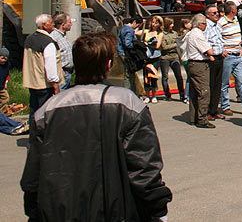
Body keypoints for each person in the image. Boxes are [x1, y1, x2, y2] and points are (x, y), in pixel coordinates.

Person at [20, 32, 172, 220]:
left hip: (59, 211)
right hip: (114, 210)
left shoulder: (47, 110)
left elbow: (33, 175)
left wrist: (34, 211)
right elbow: (144, 166)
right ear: (108, 65)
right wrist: (157, 209)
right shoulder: (127, 104)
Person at [23, 14, 62, 121]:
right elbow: (50, 65)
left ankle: (33, 131)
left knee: (34, 111)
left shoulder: (29, 39)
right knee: (44, 114)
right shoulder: (48, 43)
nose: (53, 24)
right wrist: (55, 85)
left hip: (33, 83)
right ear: (44, 25)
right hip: (45, 85)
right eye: (51, 22)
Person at [219, 1, 242, 116]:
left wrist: (241, 46)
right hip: (228, 56)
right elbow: (217, 37)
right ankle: (225, 106)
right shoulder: (221, 22)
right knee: (224, 83)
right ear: (233, 10)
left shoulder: (236, 20)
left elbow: (239, 35)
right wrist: (222, 50)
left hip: (238, 55)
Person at [186, 14, 216, 128]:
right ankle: (202, 119)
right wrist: (210, 50)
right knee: (204, 92)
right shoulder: (197, 34)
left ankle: (193, 117)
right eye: (204, 23)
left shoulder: (192, 33)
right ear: (199, 24)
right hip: (199, 65)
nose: (206, 26)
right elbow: (209, 51)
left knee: (195, 92)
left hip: (193, 63)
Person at [204, 4, 227, 121]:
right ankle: (208, 111)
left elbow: (219, 40)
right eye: (214, 13)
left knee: (218, 85)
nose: (217, 14)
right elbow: (204, 42)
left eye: (217, 12)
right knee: (211, 85)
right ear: (208, 15)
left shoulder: (217, 25)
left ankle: (214, 110)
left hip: (219, 57)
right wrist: (209, 55)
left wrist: (223, 50)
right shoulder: (206, 26)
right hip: (211, 59)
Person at [158, 17, 185, 102]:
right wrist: (175, 45)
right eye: (171, 24)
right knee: (165, 77)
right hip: (165, 58)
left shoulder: (174, 33)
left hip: (174, 57)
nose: (172, 25)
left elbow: (179, 43)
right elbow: (164, 47)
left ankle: (182, 94)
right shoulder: (162, 34)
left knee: (179, 76)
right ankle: (167, 94)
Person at [117, 15, 143, 96]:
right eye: (137, 25)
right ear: (134, 22)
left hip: (121, 52)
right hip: (127, 55)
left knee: (128, 73)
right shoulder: (129, 30)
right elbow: (128, 44)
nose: (136, 27)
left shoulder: (122, 28)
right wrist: (136, 45)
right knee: (129, 74)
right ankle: (130, 93)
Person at [50, 13, 73, 90]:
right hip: (62, 74)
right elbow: (52, 57)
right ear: (63, 25)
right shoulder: (55, 37)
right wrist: (60, 71)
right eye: (69, 22)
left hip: (67, 73)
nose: (71, 24)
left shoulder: (63, 36)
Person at [0, 47, 10, 114]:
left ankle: (1, 112)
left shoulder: (7, 65)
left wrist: (6, 82)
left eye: (5, 59)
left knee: (5, 98)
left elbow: (7, 74)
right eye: (2, 58)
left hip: (1, 86)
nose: (3, 60)